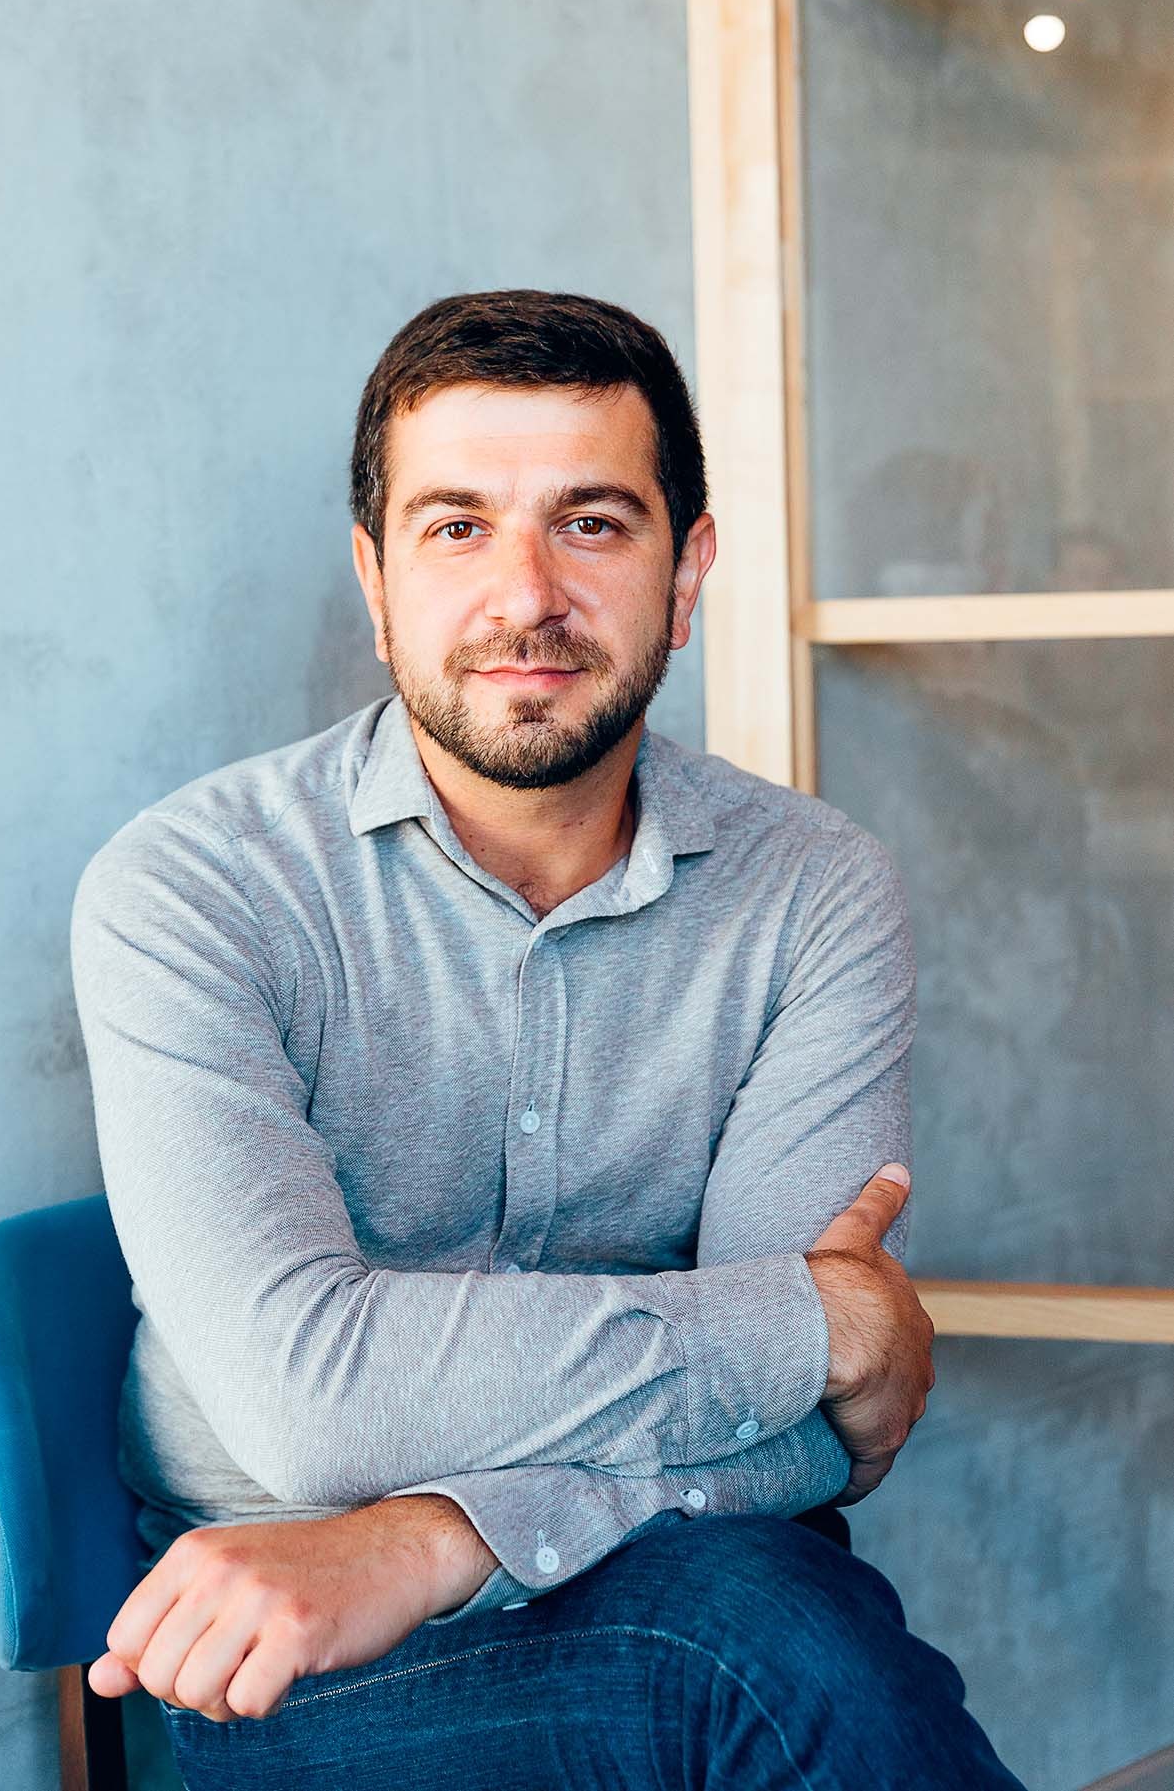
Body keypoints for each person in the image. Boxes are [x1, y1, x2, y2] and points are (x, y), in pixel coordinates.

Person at [70, 290, 1028, 1788]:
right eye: (457, 527)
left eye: (591, 523)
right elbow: (310, 1401)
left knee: (762, 1631)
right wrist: (813, 1322)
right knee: (775, 1653)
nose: (525, 596)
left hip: (670, 1570)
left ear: (686, 571)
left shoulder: (813, 887)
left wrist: (438, 1536)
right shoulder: (195, 887)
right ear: (376, 578)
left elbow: (820, 1440)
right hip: (287, 1632)